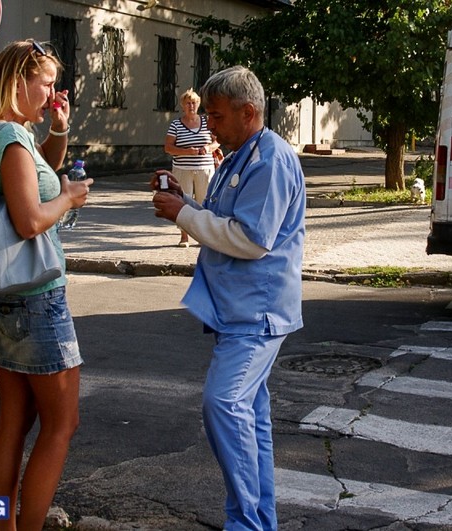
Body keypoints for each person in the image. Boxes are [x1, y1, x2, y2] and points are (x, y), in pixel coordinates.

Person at [152, 66, 306, 530]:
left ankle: (248, 523)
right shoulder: (243, 154)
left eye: (216, 117)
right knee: (251, 418)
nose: (208, 125)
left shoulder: (269, 160)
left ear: (249, 112)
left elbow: (251, 240)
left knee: (224, 405)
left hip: (256, 312)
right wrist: (187, 205)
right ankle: (256, 522)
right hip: (239, 309)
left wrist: (184, 216)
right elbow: (223, 219)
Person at [0, 38, 93, 531]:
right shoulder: (11, 139)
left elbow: (39, 166)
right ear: (18, 81)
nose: (52, 93)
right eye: (45, 84)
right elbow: (30, 218)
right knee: (62, 424)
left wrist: (59, 130)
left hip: (2, 297)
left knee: (14, 423)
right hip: (37, 298)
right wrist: (70, 198)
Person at [163, 88, 219, 247]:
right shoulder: (176, 124)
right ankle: (184, 237)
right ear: (182, 105)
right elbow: (168, 147)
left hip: (204, 169)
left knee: (204, 202)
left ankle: (204, 238)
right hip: (183, 169)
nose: (191, 106)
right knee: (183, 202)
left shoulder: (207, 122)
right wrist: (187, 151)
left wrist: (207, 149)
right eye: (188, 103)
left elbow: (218, 141)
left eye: (194, 103)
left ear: (199, 104)